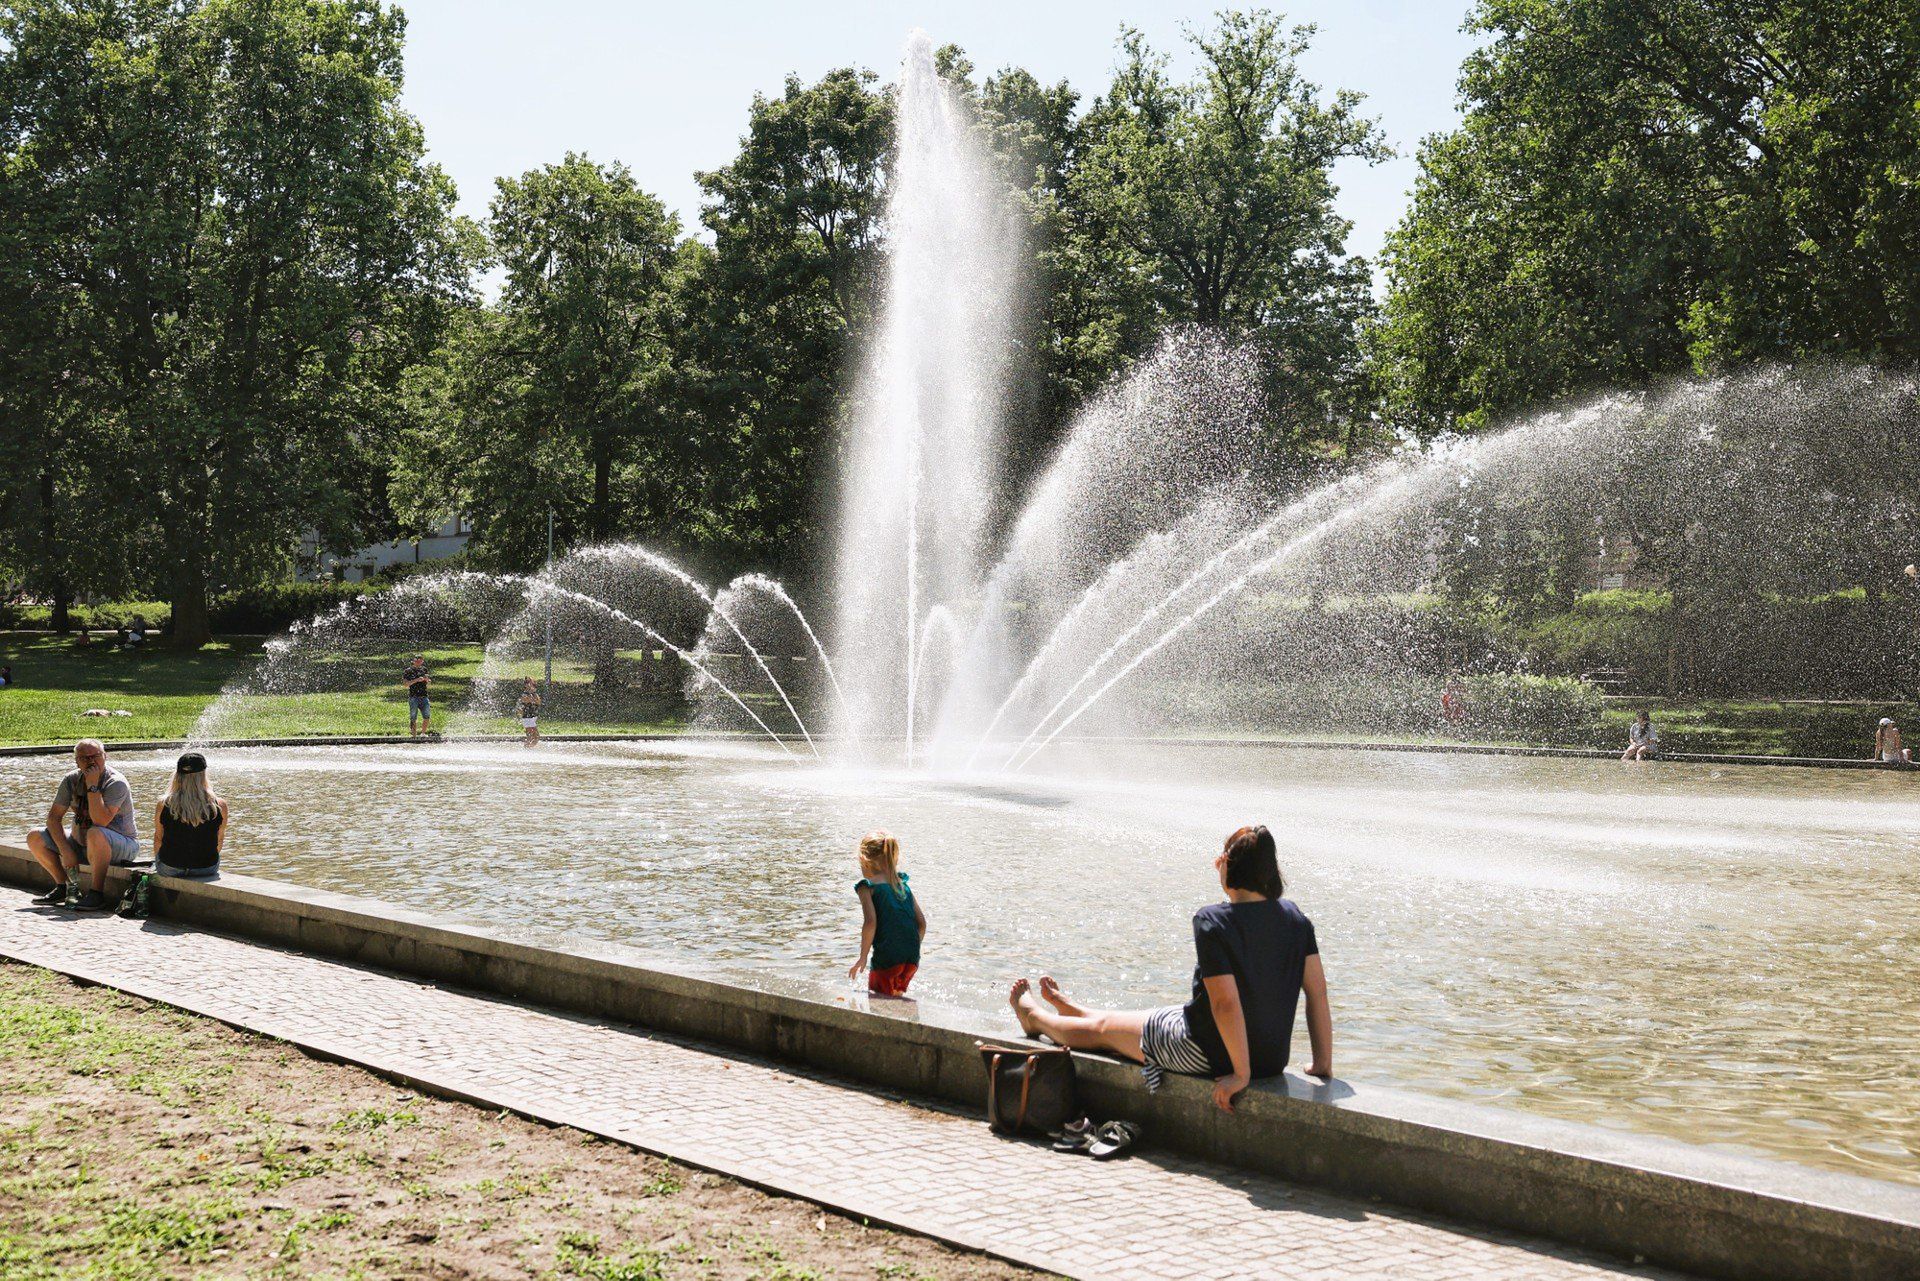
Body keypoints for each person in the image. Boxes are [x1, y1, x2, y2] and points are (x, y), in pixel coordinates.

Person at [1008, 825, 1332, 1113]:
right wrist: (1322, 1063)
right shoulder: (1295, 919)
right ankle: (1075, 1010)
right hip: (1270, 1058)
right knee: (1138, 1018)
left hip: (1209, 1053)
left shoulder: (1214, 922)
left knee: (1105, 1032)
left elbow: (1226, 1004)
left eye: (1222, 859)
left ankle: (1035, 1018)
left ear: (1229, 866)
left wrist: (1240, 1075)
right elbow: (1317, 993)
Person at [23, 739, 141, 911]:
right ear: (76, 762)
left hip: (122, 844)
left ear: (105, 757)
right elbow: (53, 818)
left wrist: (93, 786)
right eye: (84, 758)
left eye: (95, 756)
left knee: (95, 832)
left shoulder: (116, 782)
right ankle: (65, 887)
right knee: (35, 836)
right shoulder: (71, 780)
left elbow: (101, 821)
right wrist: (66, 849)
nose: (91, 761)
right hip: (83, 842)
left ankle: (96, 893)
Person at [848, 830, 926, 997]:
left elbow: (870, 923)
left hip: (888, 958)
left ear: (865, 861)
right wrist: (908, 946)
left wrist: (862, 958)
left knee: (878, 1002)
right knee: (897, 999)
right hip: (912, 957)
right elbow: (921, 923)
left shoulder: (867, 887)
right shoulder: (902, 885)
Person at [150, 751, 227, 879]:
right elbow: (219, 840)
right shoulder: (219, 805)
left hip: (170, 867)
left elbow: (158, 838)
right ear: (203, 775)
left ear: (178, 776)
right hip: (207, 868)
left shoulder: (164, 804)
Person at [402, 656, 432, 737]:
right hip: (413, 697)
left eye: (420, 661)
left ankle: (423, 733)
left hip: (424, 696)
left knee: (427, 716)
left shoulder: (424, 669)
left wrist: (427, 680)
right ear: (413, 661)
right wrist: (416, 680)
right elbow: (405, 684)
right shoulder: (408, 671)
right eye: (417, 660)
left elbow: (428, 681)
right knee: (413, 717)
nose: (418, 662)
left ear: (422, 661)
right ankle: (414, 735)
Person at [516, 677, 542, 747]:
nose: (532, 684)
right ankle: (527, 750)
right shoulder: (525, 694)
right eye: (529, 683)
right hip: (528, 718)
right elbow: (532, 701)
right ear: (526, 685)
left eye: (532, 683)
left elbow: (538, 702)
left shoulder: (533, 694)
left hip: (531, 718)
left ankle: (528, 749)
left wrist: (533, 693)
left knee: (533, 737)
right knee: (534, 737)